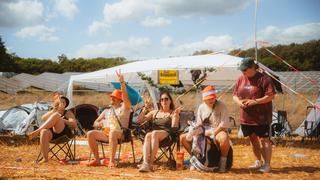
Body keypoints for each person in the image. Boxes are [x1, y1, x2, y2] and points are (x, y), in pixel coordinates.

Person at [233, 57, 276, 173]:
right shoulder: (240, 79)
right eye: (242, 70)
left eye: (245, 69)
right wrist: (239, 103)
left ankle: (267, 164)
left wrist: (255, 101)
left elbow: (271, 96)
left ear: (253, 67)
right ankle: (258, 161)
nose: (243, 72)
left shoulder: (264, 79)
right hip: (246, 117)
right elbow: (235, 95)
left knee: (264, 140)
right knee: (252, 139)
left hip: (261, 117)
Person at [180, 85, 231, 172]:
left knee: (224, 138)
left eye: (213, 98)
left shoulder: (222, 106)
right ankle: (196, 160)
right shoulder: (201, 107)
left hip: (218, 130)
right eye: (209, 98)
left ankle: (223, 163)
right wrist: (195, 129)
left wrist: (213, 133)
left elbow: (224, 124)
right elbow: (199, 123)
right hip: (203, 130)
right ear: (204, 99)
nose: (211, 100)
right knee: (183, 138)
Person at [86, 70, 131, 167]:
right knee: (90, 133)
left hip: (121, 134)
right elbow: (95, 122)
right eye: (111, 97)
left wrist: (122, 83)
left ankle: (112, 161)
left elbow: (126, 98)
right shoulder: (106, 111)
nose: (111, 98)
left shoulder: (124, 108)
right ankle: (97, 160)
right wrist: (99, 124)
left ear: (120, 100)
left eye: (114, 97)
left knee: (113, 132)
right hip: (107, 133)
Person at [137, 91, 182, 172]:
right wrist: (145, 108)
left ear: (170, 101)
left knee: (154, 133)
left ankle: (150, 163)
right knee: (148, 135)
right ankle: (145, 163)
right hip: (154, 138)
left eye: (166, 99)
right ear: (160, 102)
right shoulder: (155, 112)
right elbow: (139, 120)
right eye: (162, 100)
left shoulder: (172, 113)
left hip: (167, 136)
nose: (164, 101)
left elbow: (174, 128)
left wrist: (176, 116)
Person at [27, 95, 77, 163]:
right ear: (56, 103)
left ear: (66, 105)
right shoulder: (53, 111)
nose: (62, 103)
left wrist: (63, 120)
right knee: (44, 131)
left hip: (63, 134)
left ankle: (37, 131)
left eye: (64, 102)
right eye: (60, 102)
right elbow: (43, 118)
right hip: (52, 134)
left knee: (57, 116)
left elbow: (74, 124)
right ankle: (45, 159)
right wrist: (54, 110)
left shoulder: (68, 112)